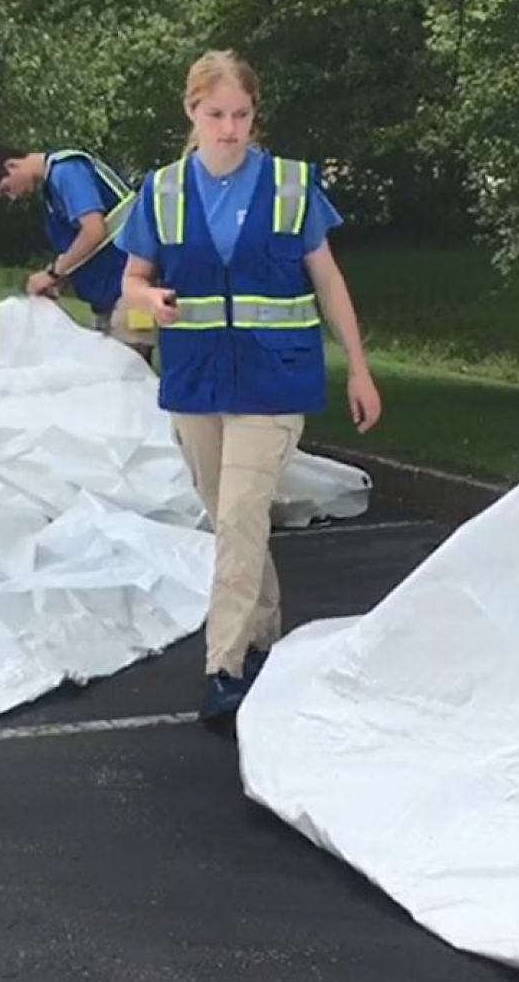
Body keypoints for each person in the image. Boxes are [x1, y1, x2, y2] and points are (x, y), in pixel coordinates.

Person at [117, 49, 382, 725]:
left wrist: (357, 365)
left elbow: (328, 281)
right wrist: (153, 303)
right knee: (228, 519)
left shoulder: (292, 186)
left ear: (254, 115)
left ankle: (222, 665)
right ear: (191, 112)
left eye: (241, 114)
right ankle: (262, 630)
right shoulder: (163, 190)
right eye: (216, 115)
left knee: (238, 516)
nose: (230, 128)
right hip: (195, 382)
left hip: (272, 380)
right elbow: (130, 289)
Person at [0, 144, 153, 354]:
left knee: (131, 376)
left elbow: (94, 230)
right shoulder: (52, 188)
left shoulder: (67, 172)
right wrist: (61, 278)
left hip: (130, 295)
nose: (13, 197)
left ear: (11, 165)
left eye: (6, 189)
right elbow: (86, 246)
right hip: (112, 295)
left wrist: (53, 272)